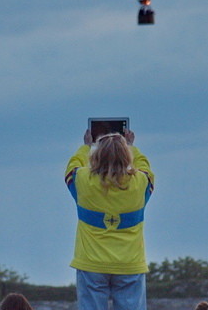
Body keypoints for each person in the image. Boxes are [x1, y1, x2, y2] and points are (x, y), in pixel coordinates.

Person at [65, 129, 155, 310]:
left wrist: (86, 147)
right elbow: (146, 169)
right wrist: (132, 147)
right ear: (126, 156)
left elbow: (71, 169)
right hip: (130, 263)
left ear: (96, 155)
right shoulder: (140, 182)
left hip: (91, 262)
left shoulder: (83, 179)